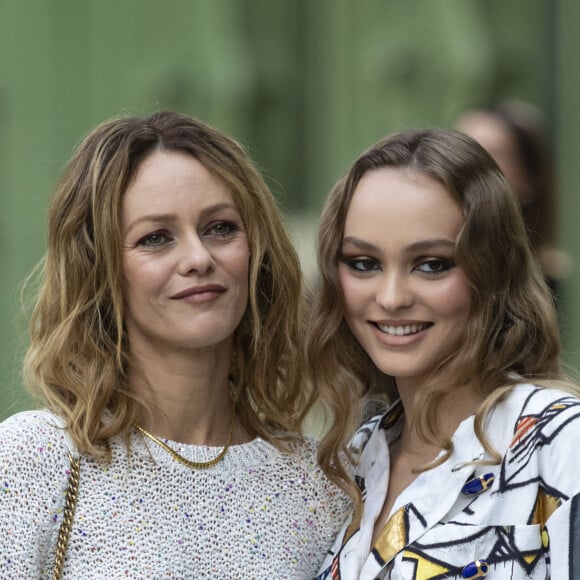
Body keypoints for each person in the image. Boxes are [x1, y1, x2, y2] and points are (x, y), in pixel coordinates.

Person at [0, 110, 349, 578]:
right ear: (101, 270)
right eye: (156, 238)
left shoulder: (320, 483)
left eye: (220, 228)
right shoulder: (34, 459)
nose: (199, 258)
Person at [307, 128, 580, 579]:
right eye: (364, 263)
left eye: (432, 264)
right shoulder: (351, 462)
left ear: (491, 272)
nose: (392, 297)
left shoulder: (560, 445)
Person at [455, 100, 570, 301]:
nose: (465, 164)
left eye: (490, 153)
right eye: (458, 150)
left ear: (528, 178)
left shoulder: (554, 284)